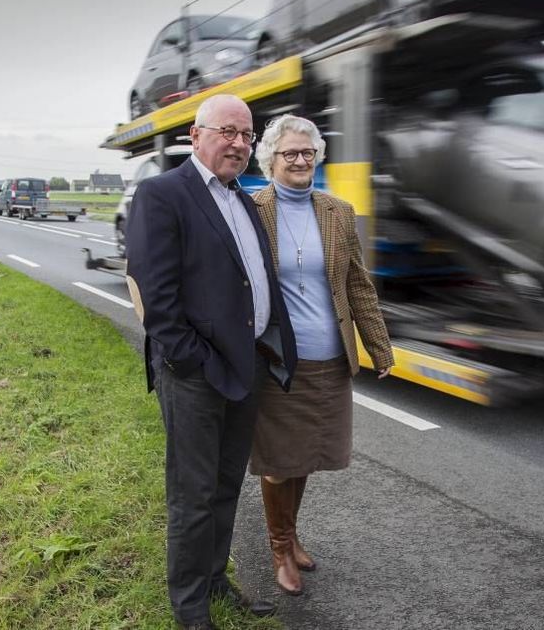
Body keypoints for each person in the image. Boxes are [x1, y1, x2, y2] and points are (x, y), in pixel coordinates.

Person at [125, 94, 298, 630]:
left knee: (226, 486)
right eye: (228, 132)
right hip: (196, 375)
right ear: (195, 136)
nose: (240, 144)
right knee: (193, 493)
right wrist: (190, 360)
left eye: (246, 136)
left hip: (243, 367)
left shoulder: (240, 198)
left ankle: (215, 579)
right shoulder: (162, 195)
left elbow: (250, 281)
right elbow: (157, 295)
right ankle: (190, 606)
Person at [249, 114, 394, 596]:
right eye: (290, 153)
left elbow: (357, 283)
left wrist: (379, 347)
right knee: (277, 460)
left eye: (307, 152)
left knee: (306, 456)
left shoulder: (337, 211)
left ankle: (292, 538)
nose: (299, 160)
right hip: (276, 360)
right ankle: (278, 549)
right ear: (271, 158)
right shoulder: (252, 210)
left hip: (328, 357)